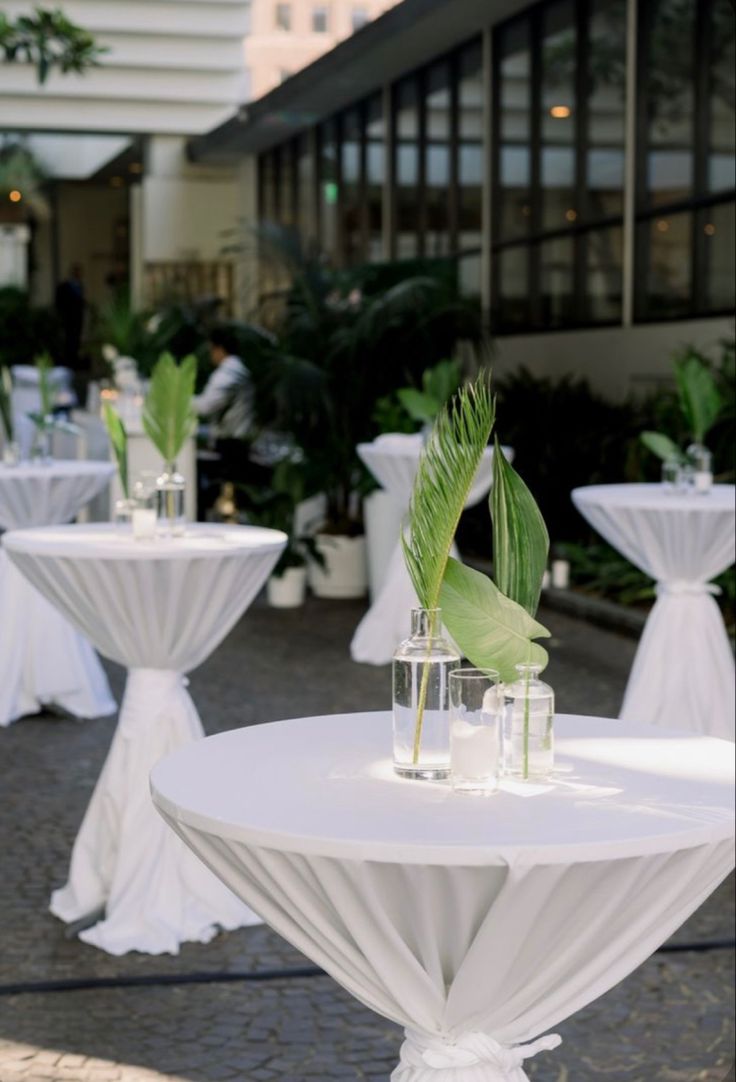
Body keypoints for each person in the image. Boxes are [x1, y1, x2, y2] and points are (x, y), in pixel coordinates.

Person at [193, 327, 255, 512]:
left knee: (190, 467)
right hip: (235, 442)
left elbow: (206, 406)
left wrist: (175, 401)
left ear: (218, 349)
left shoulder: (229, 373)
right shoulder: (237, 368)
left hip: (231, 447)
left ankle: (200, 515)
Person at [55, 264, 86, 370]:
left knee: (76, 341)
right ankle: (67, 363)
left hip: (78, 319)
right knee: (68, 341)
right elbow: (59, 303)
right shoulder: (64, 286)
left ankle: (74, 362)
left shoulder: (80, 286)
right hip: (68, 319)